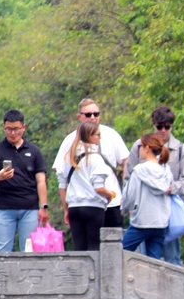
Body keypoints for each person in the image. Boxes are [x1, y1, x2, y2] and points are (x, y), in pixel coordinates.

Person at [124, 106, 184, 263]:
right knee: (144, 259)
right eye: (159, 126)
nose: (163, 130)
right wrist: (130, 206)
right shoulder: (140, 146)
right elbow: (128, 177)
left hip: (168, 212)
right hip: (143, 211)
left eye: (167, 127)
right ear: (153, 125)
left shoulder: (181, 149)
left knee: (172, 259)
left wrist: (172, 188)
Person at [53, 98, 131, 230]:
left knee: (113, 243)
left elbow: (126, 162)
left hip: (112, 201)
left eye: (96, 114)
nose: (93, 117)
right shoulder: (70, 140)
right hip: (85, 202)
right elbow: (62, 175)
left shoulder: (111, 135)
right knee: (88, 246)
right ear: (79, 117)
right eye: (88, 114)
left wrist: (126, 193)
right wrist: (66, 207)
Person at [0, 109, 50, 253]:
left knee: (29, 250)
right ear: (4, 128)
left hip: (30, 208)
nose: (13, 133)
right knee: (2, 250)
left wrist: (43, 206)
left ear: (23, 127)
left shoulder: (34, 151)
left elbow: (41, 180)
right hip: (5, 207)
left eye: (16, 129)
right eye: (9, 129)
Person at [56, 120, 116, 251]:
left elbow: (62, 185)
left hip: (74, 207)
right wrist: (110, 194)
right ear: (89, 136)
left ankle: (78, 272)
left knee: (79, 247)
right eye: (97, 135)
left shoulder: (68, 157)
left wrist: (66, 208)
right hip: (93, 207)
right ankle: (93, 273)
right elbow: (99, 187)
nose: (100, 138)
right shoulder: (95, 158)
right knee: (94, 247)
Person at [121, 133, 173, 259]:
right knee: (153, 262)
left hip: (142, 222)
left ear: (147, 148)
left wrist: (124, 208)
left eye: (140, 146)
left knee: (119, 252)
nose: (138, 149)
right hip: (161, 223)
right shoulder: (166, 170)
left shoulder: (139, 170)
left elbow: (129, 196)